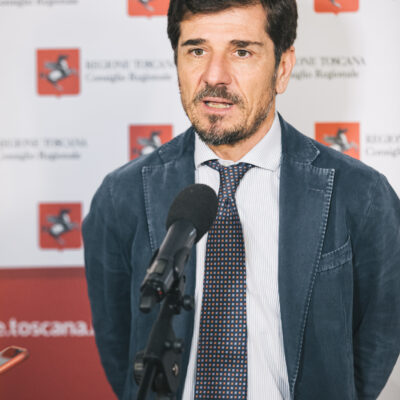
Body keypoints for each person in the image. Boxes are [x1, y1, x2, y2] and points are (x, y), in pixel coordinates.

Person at [82, 1, 400, 399]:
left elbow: (378, 338)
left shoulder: (361, 194)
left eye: (242, 51)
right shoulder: (121, 196)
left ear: (282, 68)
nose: (214, 76)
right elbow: (122, 350)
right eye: (197, 50)